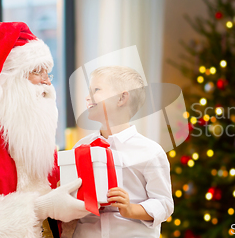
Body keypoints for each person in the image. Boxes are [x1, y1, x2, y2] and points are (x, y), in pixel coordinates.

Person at [0, 22, 90, 238]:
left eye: (48, 73)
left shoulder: (37, 134)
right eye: (37, 72)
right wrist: (40, 208)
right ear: (8, 78)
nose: (47, 82)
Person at [70, 66, 173, 238]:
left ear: (121, 98)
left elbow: (164, 204)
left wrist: (131, 209)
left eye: (96, 90)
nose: (88, 97)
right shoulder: (81, 148)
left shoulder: (151, 152)